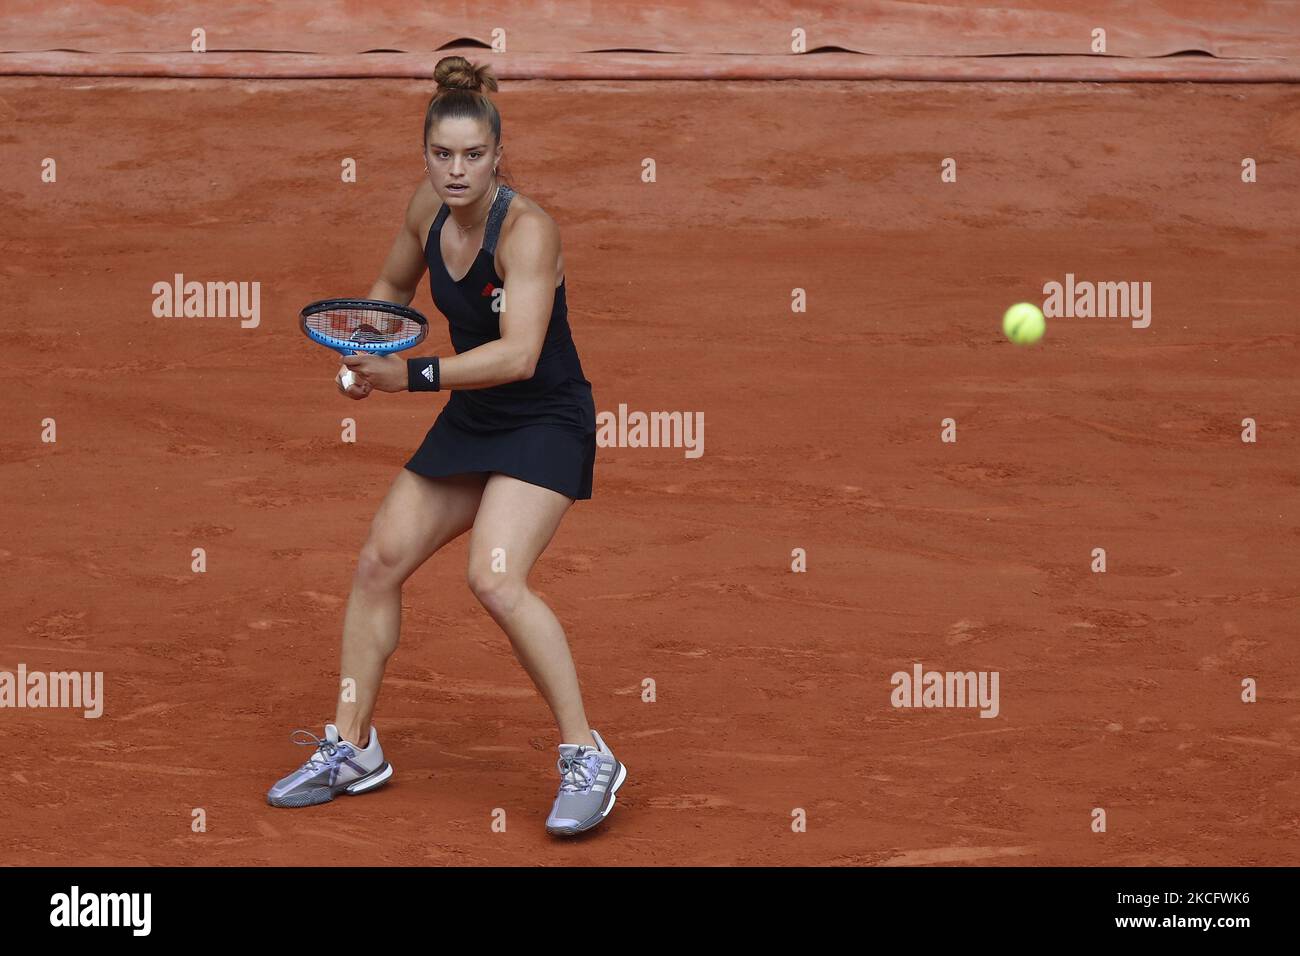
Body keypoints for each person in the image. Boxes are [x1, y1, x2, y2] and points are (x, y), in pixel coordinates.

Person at [266, 55, 626, 837]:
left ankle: (588, 754)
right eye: (442, 154)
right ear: (425, 154)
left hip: (544, 418)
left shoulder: (528, 233)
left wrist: (412, 375)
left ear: (498, 156)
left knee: (494, 576)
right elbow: (392, 290)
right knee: (379, 561)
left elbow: (520, 355)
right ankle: (353, 747)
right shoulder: (426, 208)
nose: (456, 170)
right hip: (474, 414)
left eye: (473, 155)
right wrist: (365, 349)